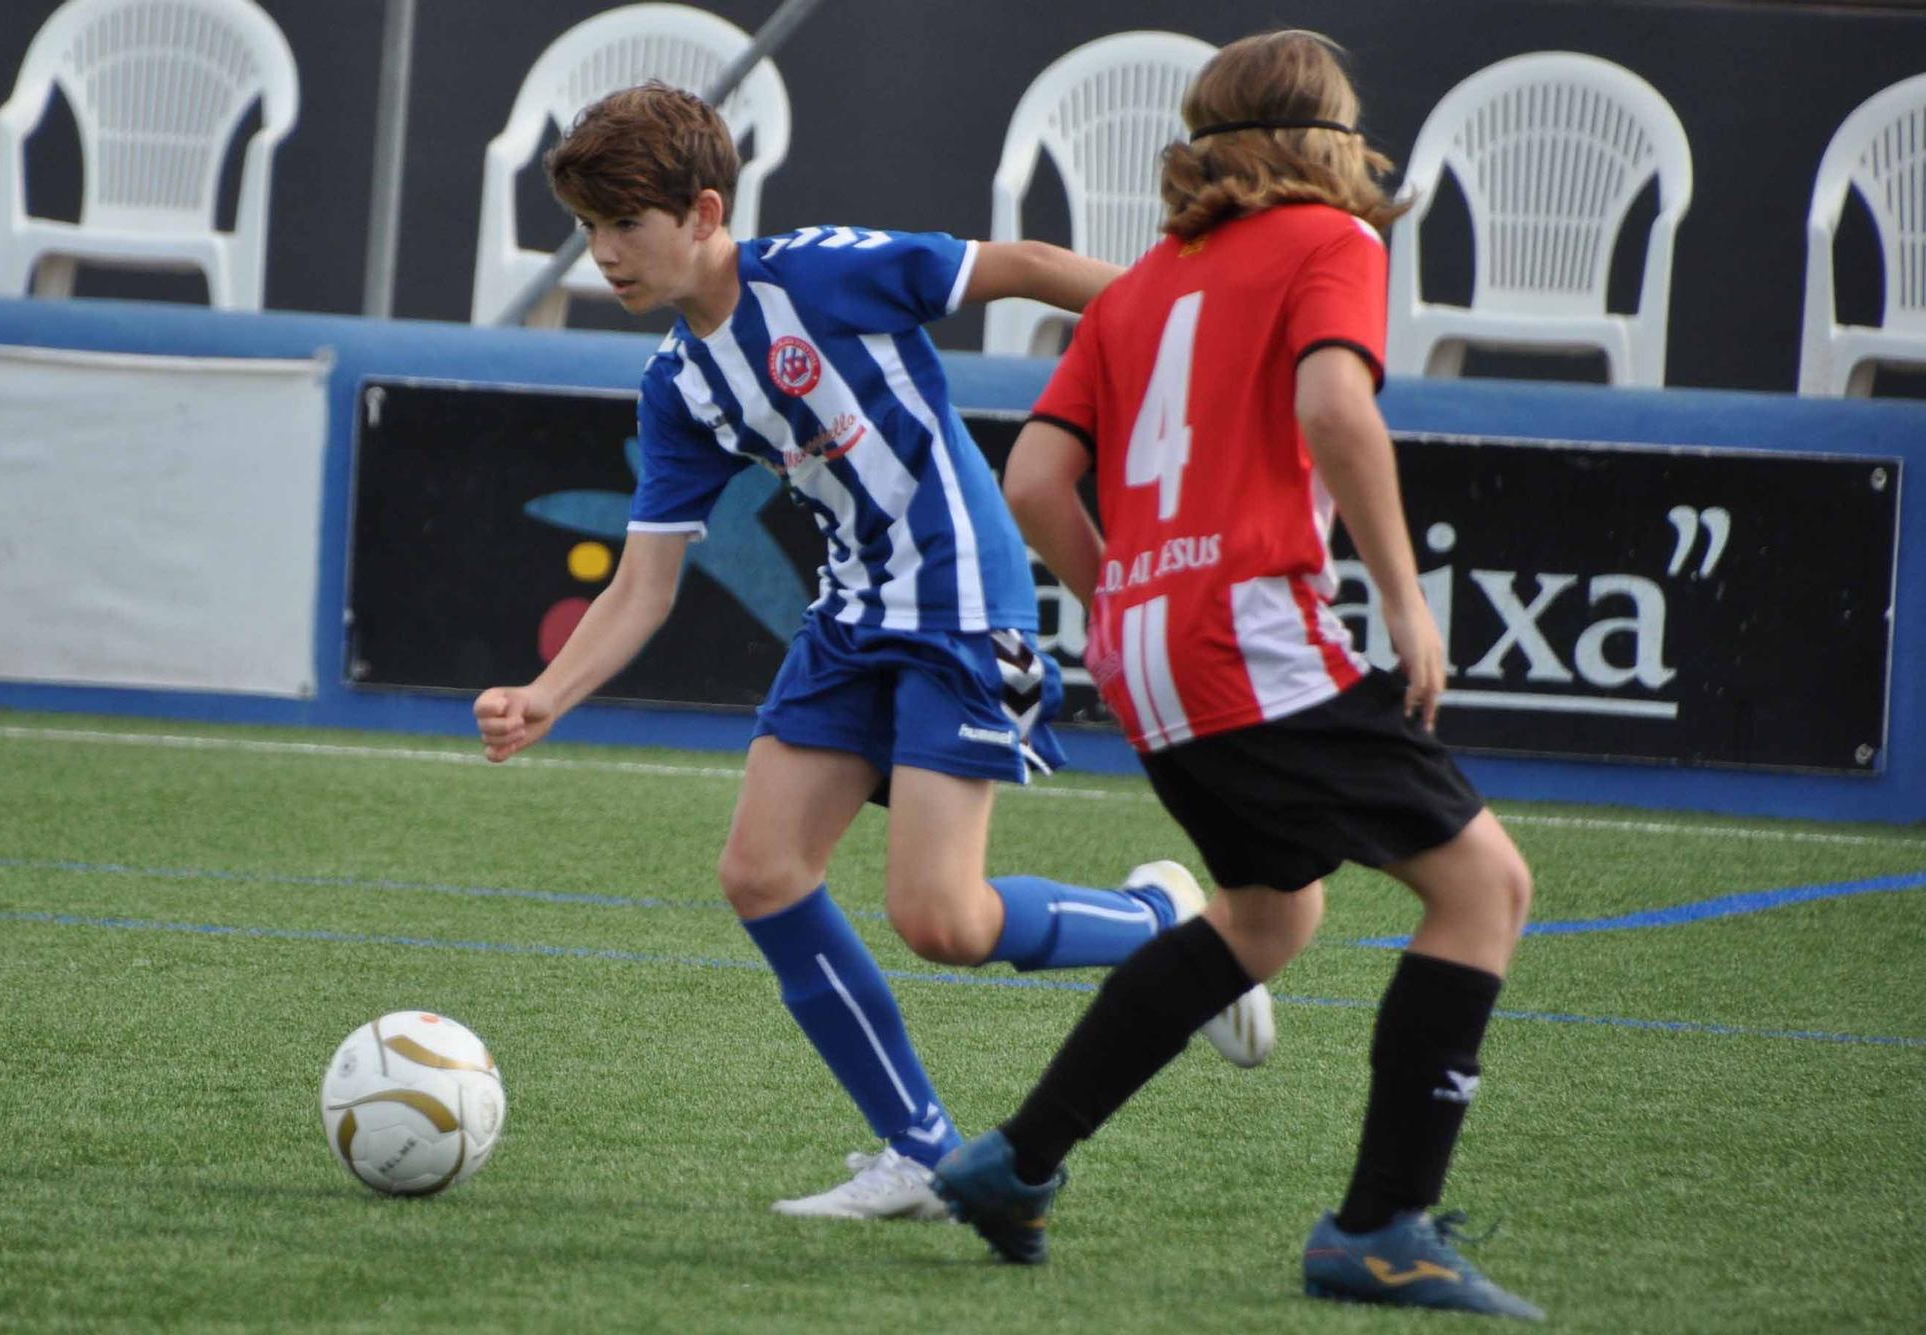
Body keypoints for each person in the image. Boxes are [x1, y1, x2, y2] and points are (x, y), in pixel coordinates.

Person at [471, 82, 1274, 1223]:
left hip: (958, 603)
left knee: (939, 922)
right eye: (589, 230)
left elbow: (1033, 265)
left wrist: (1195, 326)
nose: (602, 254)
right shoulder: (679, 386)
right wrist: (547, 694)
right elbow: (645, 583)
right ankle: (920, 1151)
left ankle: (1169, 932)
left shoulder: (819, 271)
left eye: (623, 227)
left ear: (704, 211)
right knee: (759, 873)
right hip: (852, 616)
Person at [927, 31, 1544, 1321]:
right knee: (1483, 887)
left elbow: (1033, 484)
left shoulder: (1141, 283)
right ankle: (1380, 1229)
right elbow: (1333, 408)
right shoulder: (1335, 240)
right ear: (1330, 138)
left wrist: (1131, 600)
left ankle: (1014, 1163)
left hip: (1143, 650)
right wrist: (1399, 594)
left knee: (1269, 915)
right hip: (1249, 629)